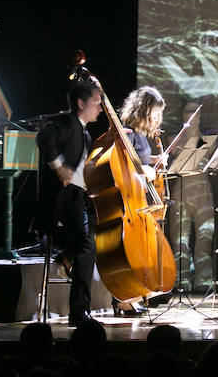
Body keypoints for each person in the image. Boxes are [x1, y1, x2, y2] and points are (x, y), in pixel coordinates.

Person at [34, 81, 103, 326]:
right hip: (62, 203)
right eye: (96, 103)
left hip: (76, 200)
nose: (100, 108)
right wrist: (59, 167)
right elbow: (44, 137)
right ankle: (79, 312)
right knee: (87, 246)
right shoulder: (68, 123)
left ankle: (67, 258)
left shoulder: (83, 132)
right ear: (80, 103)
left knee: (94, 242)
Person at [114, 85, 168, 315]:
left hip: (140, 197)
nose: (157, 118)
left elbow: (141, 159)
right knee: (127, 251)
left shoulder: (141, 135)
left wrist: (155, 159)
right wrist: (144, 168)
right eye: (155, 113)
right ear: (143, 111)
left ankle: (132, 294)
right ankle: (122, 298)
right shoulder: (126, 133)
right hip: (127, 198)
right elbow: (123, 166)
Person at [168, 99, 215, 293]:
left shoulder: (209, 141)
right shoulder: (173, 141)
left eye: (197, 111)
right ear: (182, 115)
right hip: (181, 193)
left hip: (204, 193)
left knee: (205, 239)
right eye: (189, 111)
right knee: (180, 240)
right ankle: (181, 278)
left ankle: (204, 277)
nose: (193, 115)